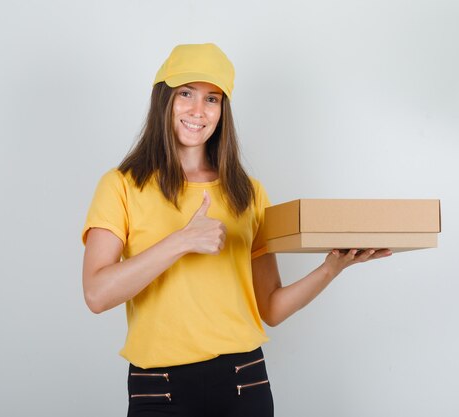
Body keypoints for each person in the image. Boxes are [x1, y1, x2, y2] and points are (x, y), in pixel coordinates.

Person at [81, 43, 392, 417]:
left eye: (212, 99)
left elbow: (271, 308)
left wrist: (331, 268)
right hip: (158, 389)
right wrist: (181, 241)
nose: (198, 110)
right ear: (163, 99)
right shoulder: (121, 185)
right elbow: (97, 294)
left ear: (223, 110)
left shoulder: (247, 193)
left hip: (243, 382)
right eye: (186, 94)